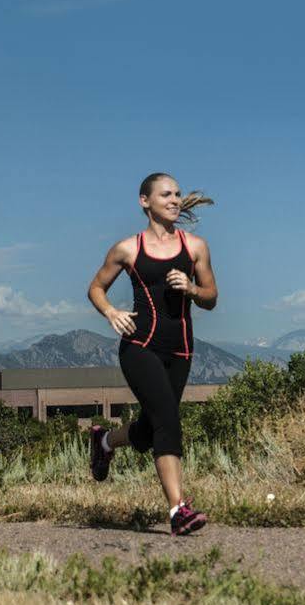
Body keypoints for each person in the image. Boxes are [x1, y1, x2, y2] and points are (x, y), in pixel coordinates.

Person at [85, 173, 219, 534]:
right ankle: (178, 510)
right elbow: (96, 288)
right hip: (139, 346)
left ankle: (105, 440)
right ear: (145, 201)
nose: (174, 200)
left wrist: (191, 288)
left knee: (149, 429)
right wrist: (112, 312)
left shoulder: (196, 247)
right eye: (166, 195)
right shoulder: (128, 248)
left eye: (177, 194)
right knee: (168, 422)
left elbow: (211, 298)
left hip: (181, 349)